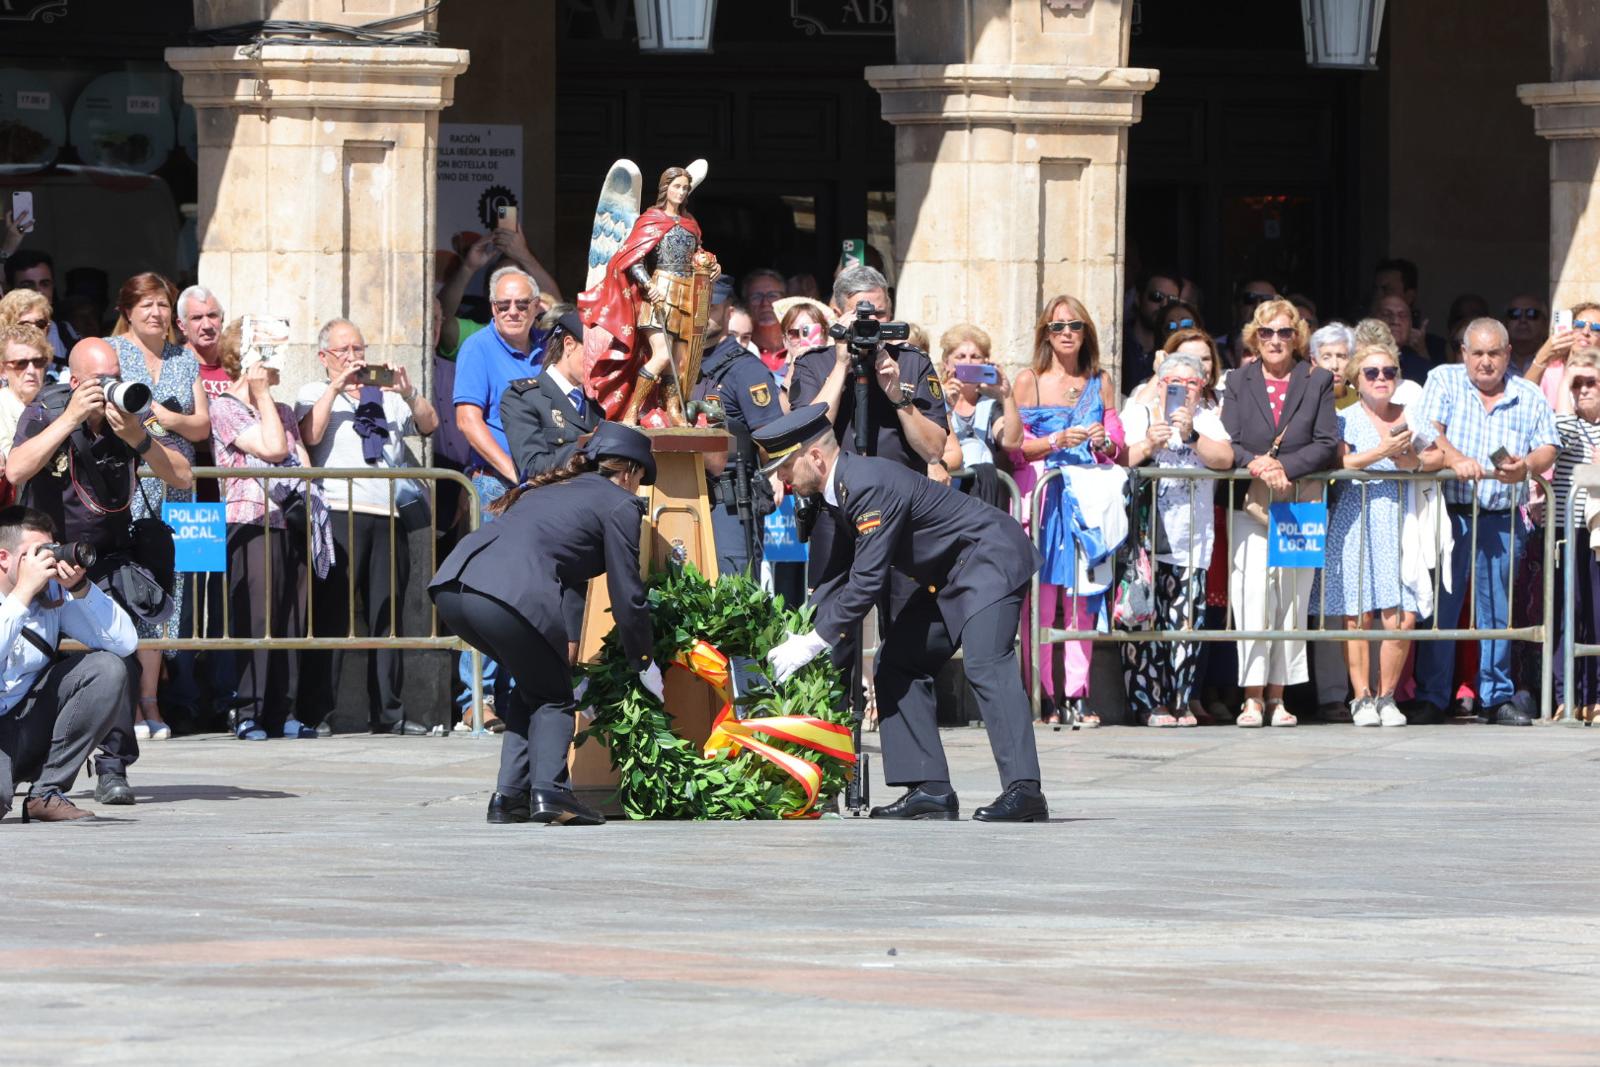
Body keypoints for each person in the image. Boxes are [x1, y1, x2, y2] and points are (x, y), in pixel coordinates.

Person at [757, 404, 1048, 823]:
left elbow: (867, 580)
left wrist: (815, 642)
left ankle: (1025, 791)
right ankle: (929, 787)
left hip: (988, 559)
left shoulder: (866, 485)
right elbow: (839, 574)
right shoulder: (840, 490)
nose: (781, 478)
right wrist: (803, 628)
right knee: (897, 662)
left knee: (986, 663)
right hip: (949, 574)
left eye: (786, 465)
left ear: (816, 457)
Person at [430, 423, 664, 826]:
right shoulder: (620, 504)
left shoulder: (553, 490)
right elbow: (628, 592)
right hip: (507, 594)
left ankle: (510, 797)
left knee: (534, 688)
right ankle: (553, 793)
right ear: (628, 471)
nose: (638, 490)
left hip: (456, 587)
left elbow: (569, 575)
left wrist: (569, 641)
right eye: (641, 480)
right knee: (556, 696)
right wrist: (643, 659)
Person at [7, 337, 194, 804]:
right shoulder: (46, 410)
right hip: (48, 552)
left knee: (121, 651)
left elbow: (182, 475)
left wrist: (139, 437)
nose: (111, 386)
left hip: (106, 556)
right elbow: (15, 470)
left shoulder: (132, 410)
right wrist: (70, 418)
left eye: (115, 374)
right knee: (39, 654)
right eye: (99, 380)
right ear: (74, 382)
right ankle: (31, 752)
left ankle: (113, 766)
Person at [1409, 318, 1560, 726]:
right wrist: (1454, 457)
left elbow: (1549, 446)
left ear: (1508, 354)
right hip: (1451, 514)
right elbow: (1424, 430)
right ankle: (1433, 696)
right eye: (1477, 353)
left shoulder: (1527, 393)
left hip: (1500, 516)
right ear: (1464, 353)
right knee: (1442, 608)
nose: (1486, 362)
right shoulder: (1444, 379)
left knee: (1497, 612)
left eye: (1494, 353)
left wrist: (1526, 465)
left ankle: (1496, 697)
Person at [296, 317, 437, 735]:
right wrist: (337, 387)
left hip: (386, 513)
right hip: (337, 511)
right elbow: (309, 435)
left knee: (386, 615)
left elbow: (429, 425)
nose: (354, 358)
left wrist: (409, 393)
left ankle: (389, 714)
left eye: (359, 349)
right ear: (324, 358)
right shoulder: (313, 392)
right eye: (344, 351)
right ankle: (317, 713)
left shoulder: (387, 396)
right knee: (331, 614)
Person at [786, 265, 948, 589]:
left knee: (908, 622)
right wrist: (841, 365)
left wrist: (899, 398)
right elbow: (808, 438)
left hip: (902, 509)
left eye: (881, 315)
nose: (871, 325)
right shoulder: (813, 363)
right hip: (836, 510)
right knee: (831, 621)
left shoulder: (912, 362)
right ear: (835, 314)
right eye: (861, 315)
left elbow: (934, 450)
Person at [210, 318, 332, 741]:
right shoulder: (225, 406)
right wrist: (260, 393)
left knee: (291, 616)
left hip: (290, 517)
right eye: (268, 351)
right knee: (256, 615)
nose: (278, 361)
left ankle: (285, 708)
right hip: (250, 519)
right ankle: (249, 710)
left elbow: (300, 459)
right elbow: (275, 448)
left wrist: (269, 405)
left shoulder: (279, 411)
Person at [1219, 298, 1339, 727]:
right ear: (1255, 335)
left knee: (1291, 598)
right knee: (1251, 596)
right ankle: (1250, 697)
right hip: (1251, 502)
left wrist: (1284, 467)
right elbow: (1226, 438)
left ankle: (1278, 697)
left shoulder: (1317, 379)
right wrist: (1257, 463)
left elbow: (1327, 441)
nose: (1275, 340)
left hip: (1299, 504)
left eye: (1285, 332)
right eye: (1267, 332)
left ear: (1297, 337)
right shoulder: (1237, 379)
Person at [1013, 295, 1125, 727]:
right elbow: (1015, 448)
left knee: (1082, 598)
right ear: (1045, 333)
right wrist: (1055, 440)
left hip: (1087, 498)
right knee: (1039, 601)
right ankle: (1041, 694)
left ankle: (1078, 693)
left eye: (1074, 326)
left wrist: (1102, 440)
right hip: (1042, 496)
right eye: (1056, 326)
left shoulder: (1100, 380)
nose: (1065, 333)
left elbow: (1119, 443)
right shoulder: (1029, 380)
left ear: (1086, 333)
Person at [1316, 342, 1443, 727]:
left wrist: (1413, 461)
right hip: (1355, 516)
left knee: (1401, 616)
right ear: (1357, 379)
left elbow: (1437, 456)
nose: (1382, 379)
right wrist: (1384, 451)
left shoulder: (1411, 413)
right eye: (1372, 372)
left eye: (1389, 371)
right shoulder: (1343, 417)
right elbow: (1337, 461)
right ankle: (1361, 697)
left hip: (1400, 518)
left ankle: (1387, 696)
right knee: (1358, 615)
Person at [107, 273, 211, 740]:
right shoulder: (112, 354)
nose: (156, 313)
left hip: (175, 485)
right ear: (127, 310)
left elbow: (201, 427)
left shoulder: (184, 359)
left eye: (163, 305)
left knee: (166, 596)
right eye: (146, 304)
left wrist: (168, 418)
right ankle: (124, 701)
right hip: (127, 484)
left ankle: (152, 699)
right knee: (127, 593)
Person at [452, 265, 548, 729]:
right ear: (491, 308)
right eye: (502, 304)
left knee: (530, 596)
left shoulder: (548, 349)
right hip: (495, 486)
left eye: (521, 303)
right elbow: (469, 421)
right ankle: (477, 697)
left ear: (536, 307)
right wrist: (515, 474)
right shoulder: (478, 348)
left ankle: (520, 696)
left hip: (542, 487)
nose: (511, 311)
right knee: (488, 594)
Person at [0, 505, 137, 822]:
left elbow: (124, 643)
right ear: (3, 558)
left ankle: (47, 792)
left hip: (26, 726)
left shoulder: (51, 596)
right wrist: (22, 594)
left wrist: (81, 589)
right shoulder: (27, 593)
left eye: (48, 550)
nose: (45, 561)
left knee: (107, 668)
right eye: (34, 554)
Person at [1119, 349, 1234, 726]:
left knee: (1185, 622)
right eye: (1174, 383)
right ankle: (1149, 703)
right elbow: (1120, 457)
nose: (1182, 390)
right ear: (1160, 384)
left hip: (1191, 538)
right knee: (1143, 620)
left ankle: (1180, 700)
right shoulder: (1138, 413)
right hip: (1144, 540)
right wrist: (1149, 443)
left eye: (1191, 383)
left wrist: (1192, 434)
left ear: (1201, 389)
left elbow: (1224, 459)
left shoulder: (1205, 419)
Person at [578, 165, 720, 425]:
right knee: (662, 355)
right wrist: (647, 285)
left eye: (685, 188)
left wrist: (711, 264)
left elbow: (698, 255)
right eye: (677, 186)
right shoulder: (650, 219)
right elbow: (633, 260)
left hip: (686, 292)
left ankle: (673, 410)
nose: (681, 191)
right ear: (666, 188)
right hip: (660, 289)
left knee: (677, 361)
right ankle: (632, 410)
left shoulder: (690, 224)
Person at [690, 301, 785, 577]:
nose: (701, 313)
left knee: (732, 595)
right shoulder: (679, 362)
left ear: (727, 312)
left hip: (729, 503)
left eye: (710, 305)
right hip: (683, 497)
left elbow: (773, 438)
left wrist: (774, 475)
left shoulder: (745, 370)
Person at [1548, 348, 1600, 720]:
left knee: (1597, 614)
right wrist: (1565, 385)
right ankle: (1566, 694)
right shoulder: (1565, 421)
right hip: (1568, 529)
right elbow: (1558, 437)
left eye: (1590, 382)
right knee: (1570, 611)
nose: (1582, 389)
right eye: (1576, 383)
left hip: (1598, 531)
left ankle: (1595, 695)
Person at [502, 306, 600, 482]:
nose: (599, 364)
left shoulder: (599, 401)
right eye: (594, 354)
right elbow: (532, 467)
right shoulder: (523, 398)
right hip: (551, 502)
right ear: (569, 345)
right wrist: (590, 445)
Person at [935, 323, 1021, 510]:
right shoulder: (934, 399)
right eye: (960, 356)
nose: (968, 362)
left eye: (975, 357)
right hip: (946, 498)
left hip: (983, 500)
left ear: (985, 362)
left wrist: (1007, 395)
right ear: (947, 363)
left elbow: (1012, 442)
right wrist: (945, 403)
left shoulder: (989, 406)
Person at [1, 250, 76, 365]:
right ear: (8, 289)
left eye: (45, 284)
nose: (38, 292)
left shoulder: (65, 332)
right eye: (27, 285)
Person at [1525, 300, 1600, 410]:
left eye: (1596, 328)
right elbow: (1522, 399)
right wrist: (1543, 356)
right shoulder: (1549, 371)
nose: (1585, 332)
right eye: (1579, 325)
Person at [1372, 256, 1448, 365]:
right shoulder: (1355, 341)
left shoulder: (1435, 346)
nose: (1378, 295)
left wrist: (1421, 351)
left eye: (1387, 290)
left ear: (1409, 296)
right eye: (1376, 289)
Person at [1122, 269, 1182, 393]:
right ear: (1139, 299)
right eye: (1156, 296)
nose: (1164, 304)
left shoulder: (1177, 349)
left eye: (1172, 300)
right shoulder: (1118, 341)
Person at [0, 323, 48, 463]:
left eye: (38, 362)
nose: (31, 371)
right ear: (3, 371)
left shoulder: (55, 402)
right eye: (21, 363)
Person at [1372, 293, 1434, 384]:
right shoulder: (1356, 363)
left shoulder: (1424, 370)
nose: (1395, 321)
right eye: (1386, 314)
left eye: (1402, 315)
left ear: (1411, 325)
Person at [741, 267, 788, 365]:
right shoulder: (740, 349)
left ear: (786, 300)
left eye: (772, 295)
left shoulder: (799, 344)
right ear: (746, 304)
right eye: (756, 297)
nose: (765, 303)